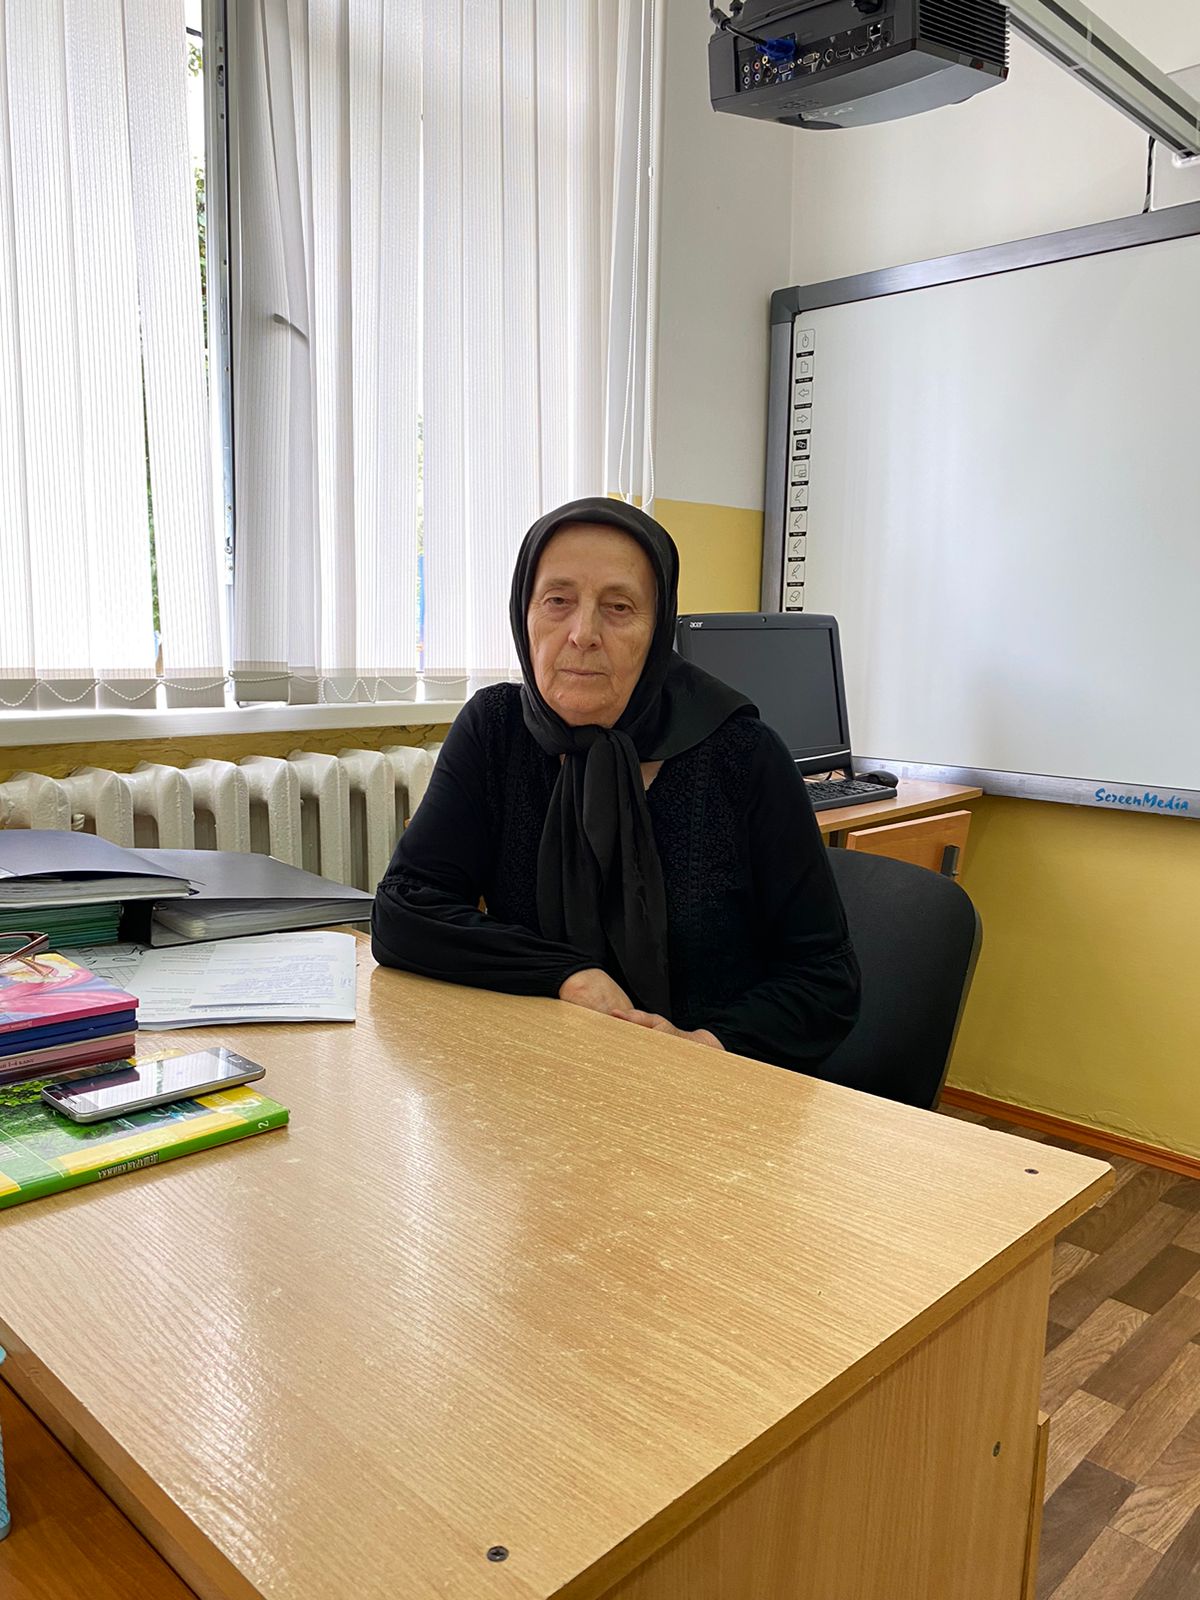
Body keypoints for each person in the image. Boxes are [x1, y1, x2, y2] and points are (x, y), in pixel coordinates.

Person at [371, 497, 860, 1073]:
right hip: (540, 1070)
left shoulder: (743, 756)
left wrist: (703, 1046)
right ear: (524, 614)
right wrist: (566, 975)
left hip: (703, 1085)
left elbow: (825, 978)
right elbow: (405, 911)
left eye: (619, 607)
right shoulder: (496, 730)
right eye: (557, 601)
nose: (583, 634)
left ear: (657, 630)